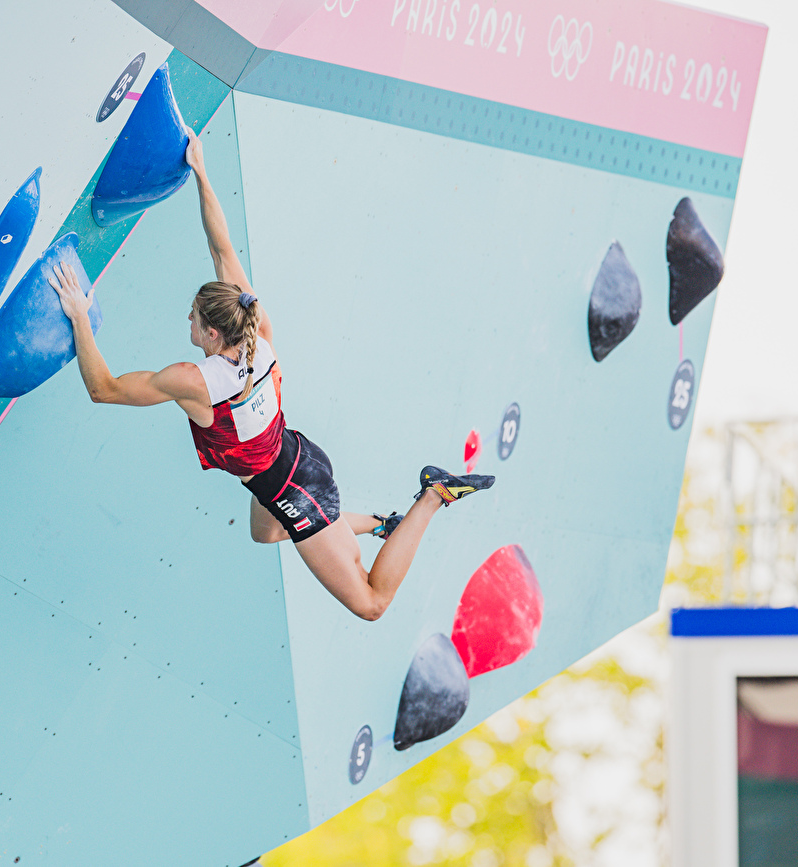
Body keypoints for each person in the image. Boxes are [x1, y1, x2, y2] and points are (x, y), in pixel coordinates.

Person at [47, 129, 493, 621]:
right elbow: (222, 249)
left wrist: (79, 316)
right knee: (266, 532)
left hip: (291, 485)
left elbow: (102, 389)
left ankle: (431, 496)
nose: (187, 322)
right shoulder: (256, 325)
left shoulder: (194, 383)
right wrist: (200, 172)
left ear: (215, 335)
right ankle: (383, 523)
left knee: (371, 602)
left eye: (194, 319)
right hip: (294, 458)